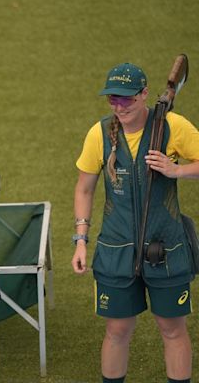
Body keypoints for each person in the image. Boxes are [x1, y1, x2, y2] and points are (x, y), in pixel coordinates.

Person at [72, 63, 199, 383]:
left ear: (144, 94)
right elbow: (84, 188)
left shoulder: (173, 126)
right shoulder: (99, 133)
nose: (119, 106)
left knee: (172, 329)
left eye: (127, 99)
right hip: (116, 249)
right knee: (117, 330)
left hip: (166, 246)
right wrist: (81, 240)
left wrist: (176, 171)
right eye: (113, 99)